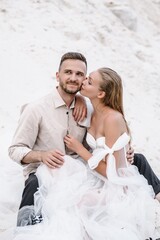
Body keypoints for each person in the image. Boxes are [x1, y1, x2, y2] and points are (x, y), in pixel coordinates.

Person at [7, 52, 160, 229]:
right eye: (68, 72)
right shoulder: (36, 109)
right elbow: (15, 149)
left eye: (80, 75)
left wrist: (122, 150)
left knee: (137, 159)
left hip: (81, 171)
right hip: (49, 170)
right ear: (58, 76)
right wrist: (41, 155)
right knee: (35, 183)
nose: (73, 78)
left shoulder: (89, 106)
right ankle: (27, 229)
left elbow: (104, 140)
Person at [63, 67, 160, 239]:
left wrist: (80, 149)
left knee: (79, 203)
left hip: (116, 185)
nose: (83, 81)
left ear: (100, 94)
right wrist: (78, 98)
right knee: (65, 194)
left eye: (89, 81)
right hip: (96, 176)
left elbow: (113, 174)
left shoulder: (112, 119)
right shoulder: (92, 109)